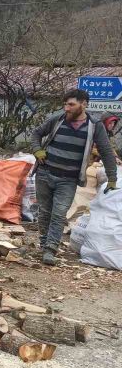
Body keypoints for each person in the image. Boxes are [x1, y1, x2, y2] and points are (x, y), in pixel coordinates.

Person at [30, 88, 117, 266]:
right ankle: (44, 243)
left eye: (71, 104)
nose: (67, 108)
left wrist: (112, 177)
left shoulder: (94, 125)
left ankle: (50, 249)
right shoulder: (57, 119)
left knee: (59, 213)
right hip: (45, 173)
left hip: (68, 179)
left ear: (84, 104)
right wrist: (37, 150)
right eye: (65, 104)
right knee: (45, 212)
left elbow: (106, 152)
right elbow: (36, 134)